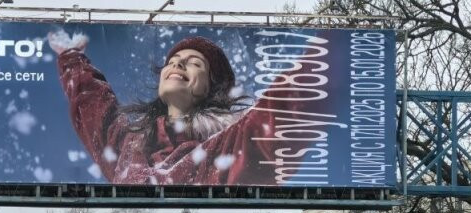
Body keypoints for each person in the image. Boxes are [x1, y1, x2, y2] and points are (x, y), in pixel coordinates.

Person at [50, 31, 310, 186]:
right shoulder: (129, 144)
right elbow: (94, 107)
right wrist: (71, 57)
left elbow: (283, 108)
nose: (177, 65)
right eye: (172, 61)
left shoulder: (228, 145)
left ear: (212, 86)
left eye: (194, 63)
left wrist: (330, 56)